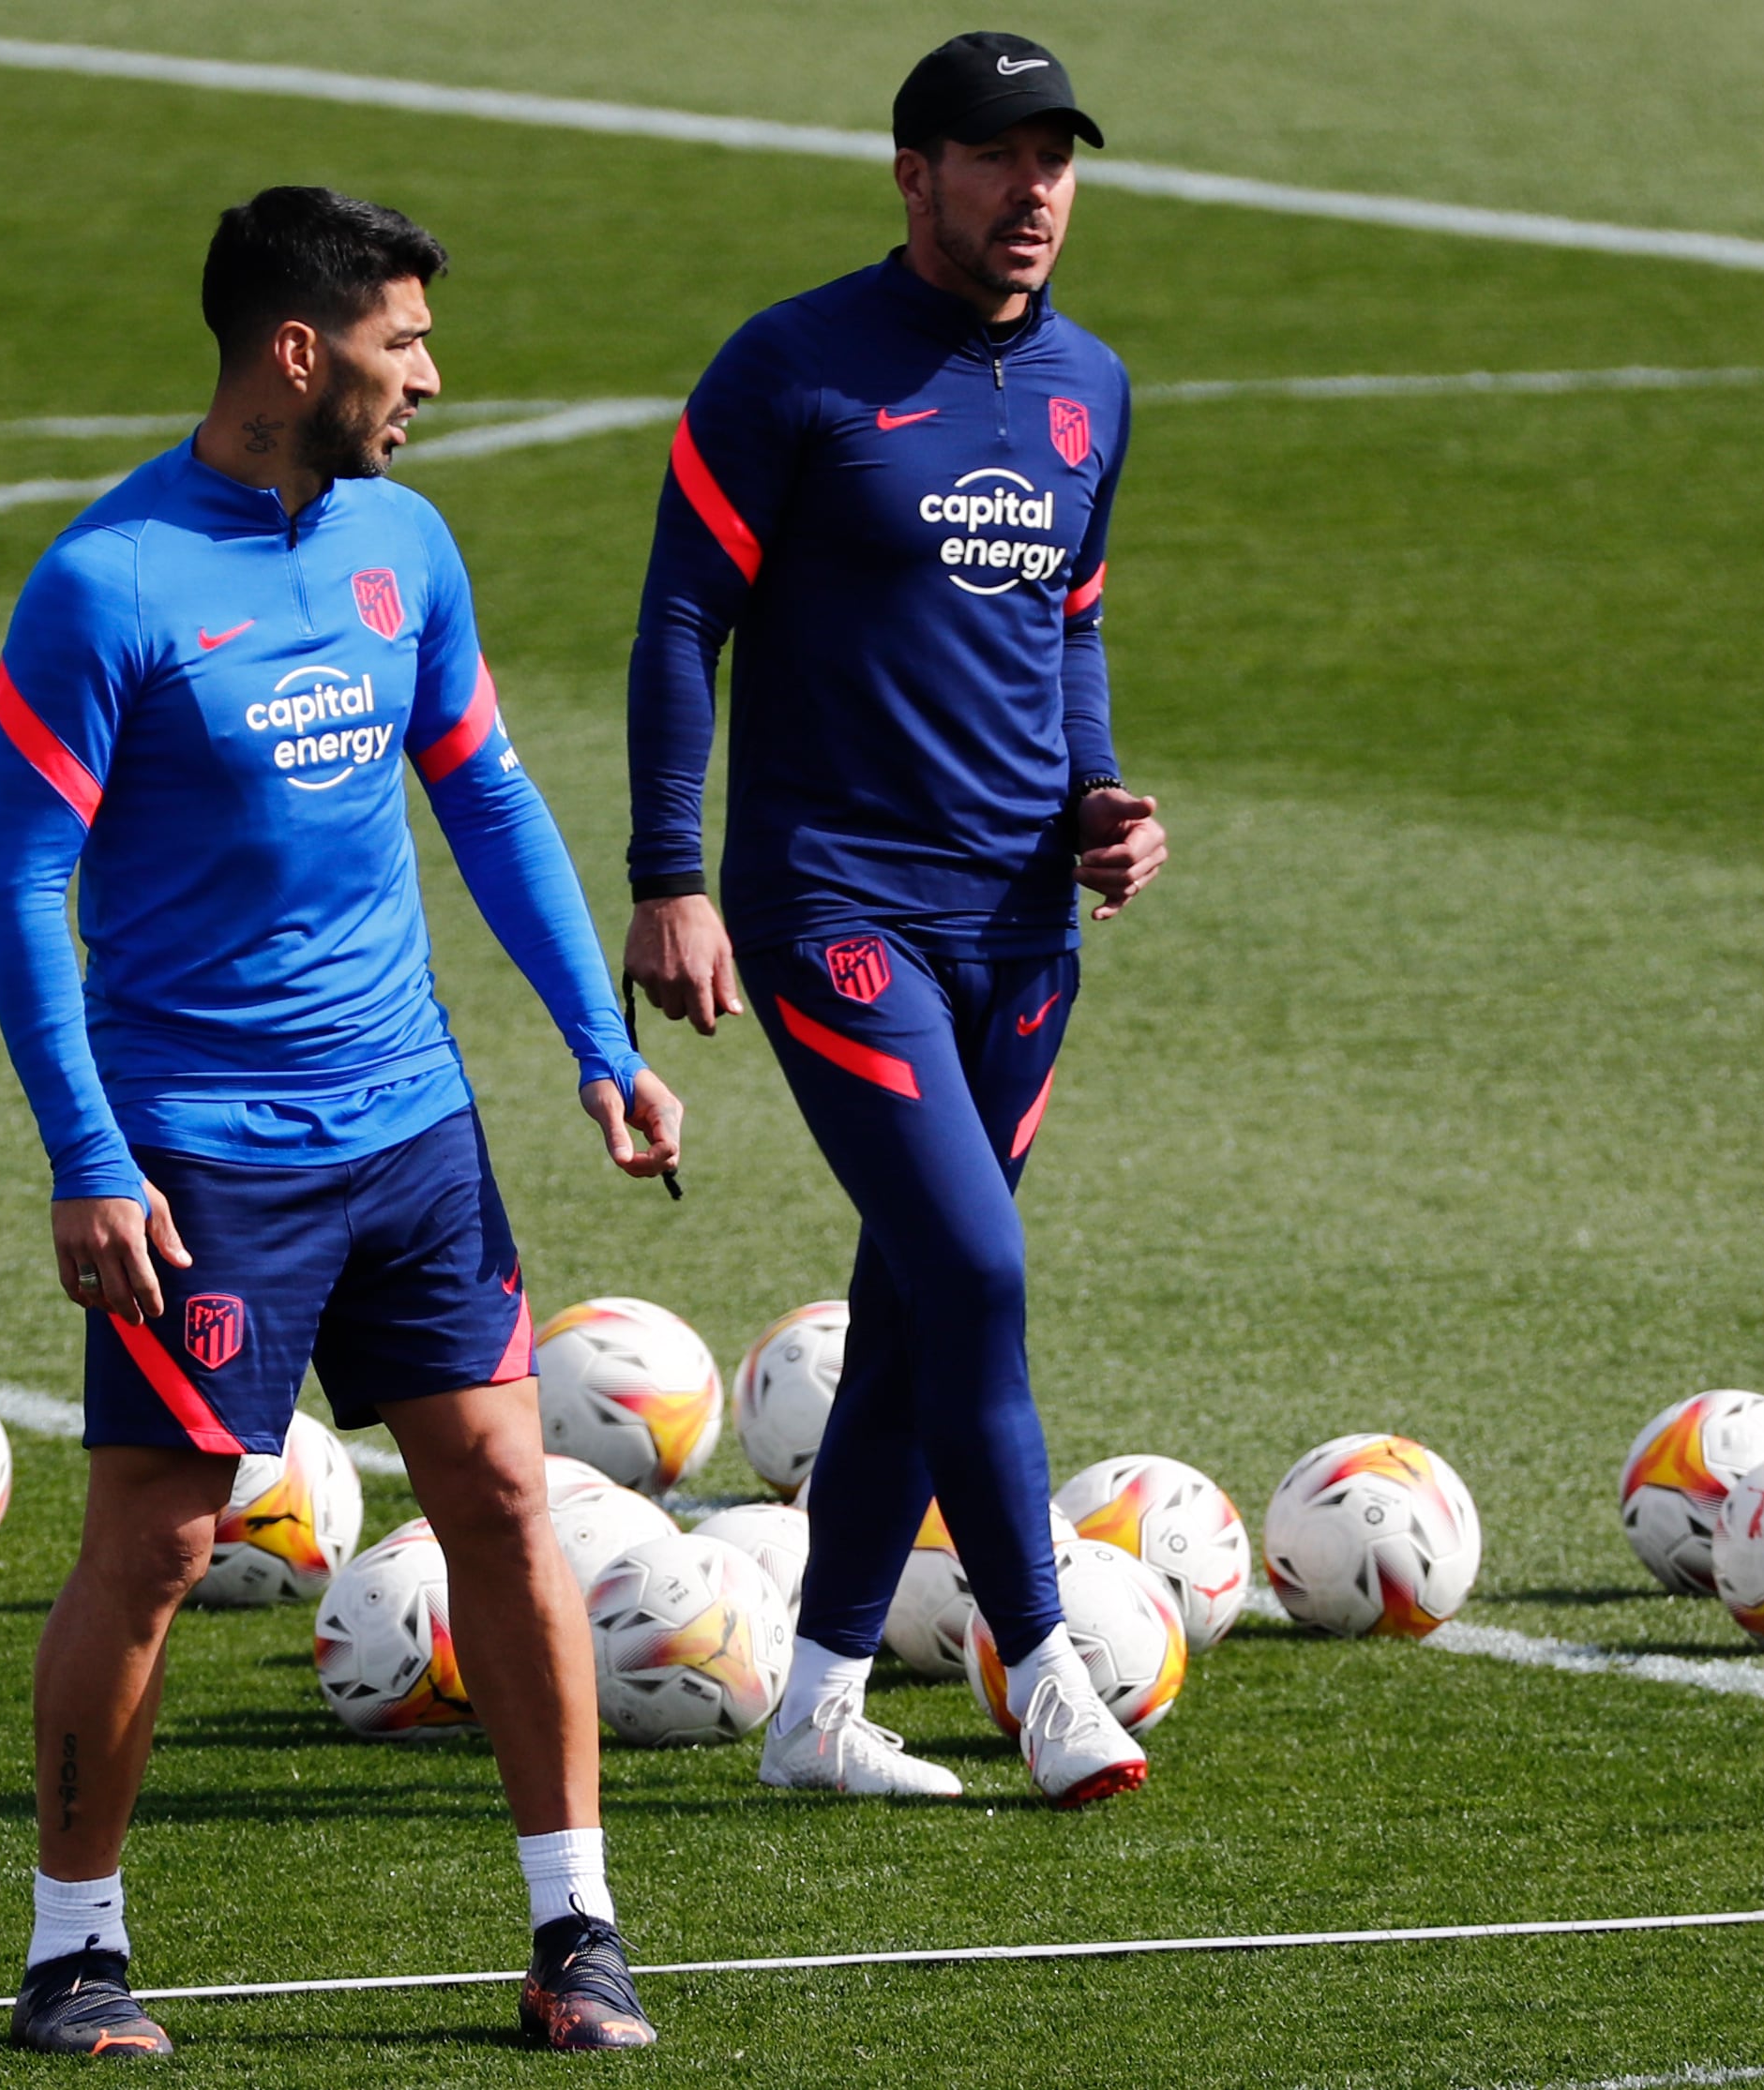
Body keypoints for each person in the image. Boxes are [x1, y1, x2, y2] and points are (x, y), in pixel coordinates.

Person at [0, 186, 678, 2056]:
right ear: (301, 349)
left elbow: (490, 799)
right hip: (204, 1145)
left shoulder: (404, 544)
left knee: (509, 1490)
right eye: (405, 342)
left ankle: (573, 1926)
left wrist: (595, 1046)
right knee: (161, 1541)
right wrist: (86, 1147)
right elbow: (14, 883)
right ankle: (73, 1949)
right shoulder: (107, 583)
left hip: (412, 1124)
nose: (430, 378)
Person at [624, 34, 1169, 1807]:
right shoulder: (791, 370)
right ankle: (1042, 1667)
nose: (1035, 194)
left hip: (1021, 927)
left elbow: (1068, 621)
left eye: (1056, 160)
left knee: (921, 1291)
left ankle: (818, 1707)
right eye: (998, 159)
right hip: (836, 902)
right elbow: (676, 623)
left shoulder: (1092, 385)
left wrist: (1098, 799)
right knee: (979, 1269)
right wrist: (669, 876)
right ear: (910, 173)